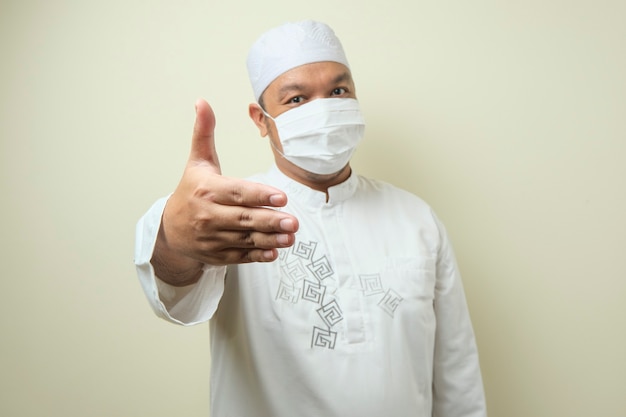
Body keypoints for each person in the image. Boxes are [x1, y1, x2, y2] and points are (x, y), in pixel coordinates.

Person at [135, 20, 487, 417]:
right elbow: (176, 297)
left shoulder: (416, 219)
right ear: (260, 119)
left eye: (338, 91)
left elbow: (457, 373)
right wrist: (172, 237)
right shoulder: (232, 217)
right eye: (297, 99)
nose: (324, 109)